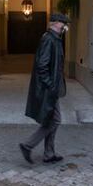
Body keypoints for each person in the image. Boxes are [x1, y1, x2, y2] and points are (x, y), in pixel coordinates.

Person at [19, 13, 70, 164]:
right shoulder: (49, 39)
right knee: (55, 120)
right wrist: (51, 85)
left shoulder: (55, 39)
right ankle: (28, 145)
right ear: (54, 24)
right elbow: (42, 65)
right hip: (49, 89)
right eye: (63, 23)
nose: (65, 26)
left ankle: (49, 153)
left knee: (51, 119)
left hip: (52, 88)